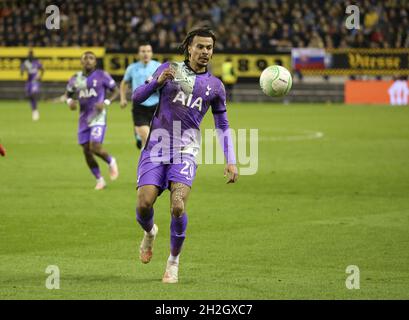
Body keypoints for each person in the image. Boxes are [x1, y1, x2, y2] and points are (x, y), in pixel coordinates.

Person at [132, 27, 239, 284]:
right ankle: (150, 232)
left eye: (209, 48)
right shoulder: (169, 70)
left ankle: (173, 262)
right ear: (188, 48)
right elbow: (137, 98)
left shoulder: (215, 86)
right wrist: (157, 83)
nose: (204, 52)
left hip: (186, 150)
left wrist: (231, 159)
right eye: (200, 46)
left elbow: (222, 125)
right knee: (144, 204)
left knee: (178, 206)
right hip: (157, 146)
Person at [65, 51, 120, 190]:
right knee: (86, 151)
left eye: (91, 58)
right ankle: (100, 180)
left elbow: (116, 91)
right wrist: (70, 102)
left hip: (98, 116)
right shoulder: (75, 78)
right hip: (83, 119)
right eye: (85, 58)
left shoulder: (102, 75)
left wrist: (106, 102)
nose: (88, 61)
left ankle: (111, 161)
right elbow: (69, 94)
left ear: (95, 62)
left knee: (94, 146)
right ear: (81, 62)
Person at [120, 43, 161, 149]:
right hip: (139, 107)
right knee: (148, 140)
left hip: (157, 107)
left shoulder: (158, 66)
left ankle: (139, 137)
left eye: (148, 51)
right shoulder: (132, 68)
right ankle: (140, 137)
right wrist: (123, 98)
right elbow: (124, 83)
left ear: (152, 53)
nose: (145, 54)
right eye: (143, 51)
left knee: (154, 141)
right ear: (138, 54)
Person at [20, 49, 44, 121]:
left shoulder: (36, 63)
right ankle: (34, 110)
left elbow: (42, 69)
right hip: (29, 81)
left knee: (34, 93)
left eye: (31, 54)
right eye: (29, 55)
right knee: (29, 96)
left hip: (35, 81)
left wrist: (40, 76)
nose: (30, 56)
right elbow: (21, 71)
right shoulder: (26, 63)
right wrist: (23, 70)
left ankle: (35, 110)